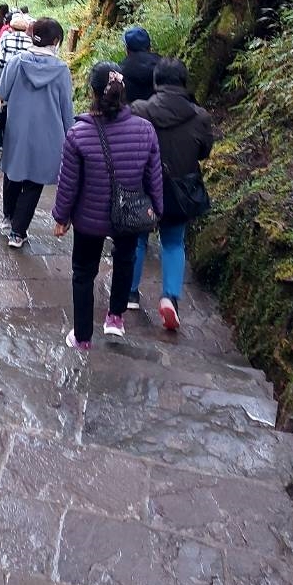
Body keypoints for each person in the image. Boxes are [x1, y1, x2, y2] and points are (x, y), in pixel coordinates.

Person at [52, 62, 163, 351]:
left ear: (92, 92)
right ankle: (115, 318)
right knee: (125, 259)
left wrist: (61, 216)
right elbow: (153, 177)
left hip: (89, 218)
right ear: (123, 91)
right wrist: (157, 210)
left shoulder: (78, 134)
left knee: (83, 272)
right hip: (130, 213)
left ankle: (82, 337)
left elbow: (68, 183)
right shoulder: (145, 130)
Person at [129, 58, 213, 330]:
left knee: (138, 240)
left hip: (143, 186)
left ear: (156, 81)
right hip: (180, 190)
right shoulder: (200, 116)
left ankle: (130, 294)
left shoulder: (139, 110)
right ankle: (170, 298)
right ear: (184, 82)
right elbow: (204, 152)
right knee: (174, 243)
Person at [0, 17, 73, 248]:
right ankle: (18, 232)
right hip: (48, 135)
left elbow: (2, 91)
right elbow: (66, 108)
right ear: (56, 41)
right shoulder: (61, 70)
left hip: (17, 130)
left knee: (13, 172)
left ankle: (8, 217)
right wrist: (71, 136)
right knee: (34, 182)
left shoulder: (17, 62)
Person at [116, 26, 163, 105]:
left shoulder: (119, 72)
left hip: (132, 112)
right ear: (149, 47)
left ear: (127, 49)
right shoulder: (164, 65)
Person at [0, 10, 33, 89]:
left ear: (11, 28)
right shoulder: (31, 43)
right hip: (21, 85)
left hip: (4, 82)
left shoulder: (5, 40)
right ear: (26, 29)